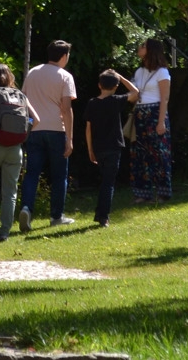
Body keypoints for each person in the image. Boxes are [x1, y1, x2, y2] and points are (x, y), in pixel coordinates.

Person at [18, 39, 78, 232]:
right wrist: (69, 138)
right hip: (57, 130)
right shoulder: (65, 76)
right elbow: (67, 109)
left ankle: (26, 207)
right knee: (59, 175)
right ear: (64, 56)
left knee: (32, 173)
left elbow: (23, 100)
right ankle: (56, 216)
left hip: (34, 129)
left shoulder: (33, 72)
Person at [0, 63, 40, 242]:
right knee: (10, 191)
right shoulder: (20, 95)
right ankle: (5, 231)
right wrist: (22, 135)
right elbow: (36, 119)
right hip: (15, 149)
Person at [84, 69, 137, 226]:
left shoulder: (92, 103)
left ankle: (100, 213)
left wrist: (90, 150)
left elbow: (88, 128)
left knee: (104, 181)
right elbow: (135, 92)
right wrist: (120, 76)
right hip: (113, 147)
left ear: (99, 85)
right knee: (108, 182)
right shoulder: (116, 100)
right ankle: (103, 216)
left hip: (98, 147)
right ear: (116, 86)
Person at [130, 39, 173, 201]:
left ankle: (163, 193)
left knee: (159, 154)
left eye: (143, 46)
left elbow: (165, 98)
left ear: (151, 50)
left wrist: (161, 121)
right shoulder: (139, 71)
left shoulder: (162, 72)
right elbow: (133, 94)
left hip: (156, 113)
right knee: (140, 153)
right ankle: (143, 193)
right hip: (140, 114)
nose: (139, 48)